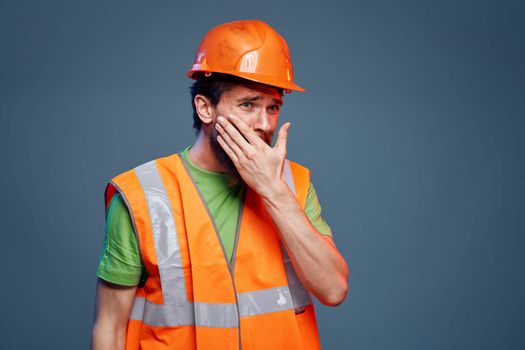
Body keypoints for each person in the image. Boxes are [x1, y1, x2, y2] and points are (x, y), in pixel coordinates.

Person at [92, 19, 348, 350]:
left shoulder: (292, 184)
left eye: (273, 107)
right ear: (205, 107)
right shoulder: (142, 195)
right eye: (249, 105)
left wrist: (272, 190)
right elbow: (109, 329)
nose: (264, 123)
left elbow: (333, 289)